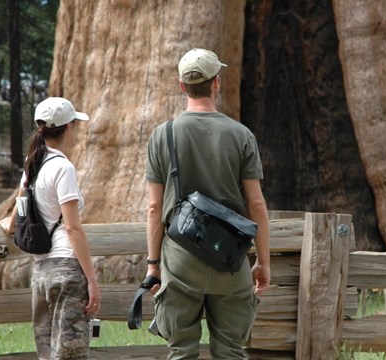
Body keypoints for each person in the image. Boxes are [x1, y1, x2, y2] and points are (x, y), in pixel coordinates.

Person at [145, 48, 271, 359]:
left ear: (181, 85)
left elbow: (153, 208)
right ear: (216, 83)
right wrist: (264, 261)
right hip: (230, 257)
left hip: (180, 259)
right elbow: (256, 203)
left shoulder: (163, 135)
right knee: (231, 350)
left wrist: (153, 265)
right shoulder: (241, 135)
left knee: (181, 352)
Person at [0, 97, 101, 359]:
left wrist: (8, 225)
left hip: (41, 272)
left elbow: (20, 208)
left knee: (47, 353)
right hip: (66, 269)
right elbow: (73, 228)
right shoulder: (63, 168)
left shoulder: (31, 163)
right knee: (70, 353)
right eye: (75, 125)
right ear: (68, 128)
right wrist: (92, 279)